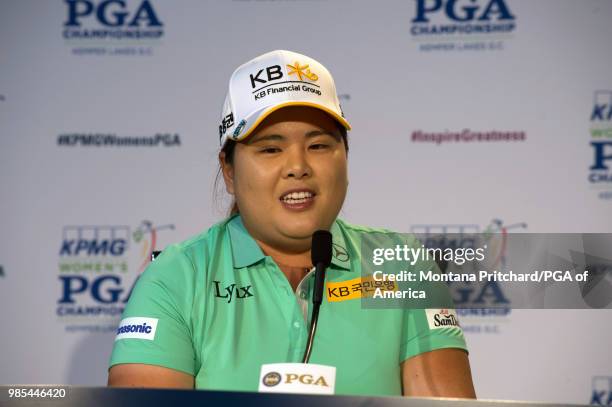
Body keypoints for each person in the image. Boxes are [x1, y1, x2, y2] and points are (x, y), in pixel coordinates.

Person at [108, 50, 476, 398]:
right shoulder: (176, 277)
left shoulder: (403, 264)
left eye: (318, 145)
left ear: (346, 157)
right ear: (229, 169)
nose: (298, 166)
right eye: (271, 148)